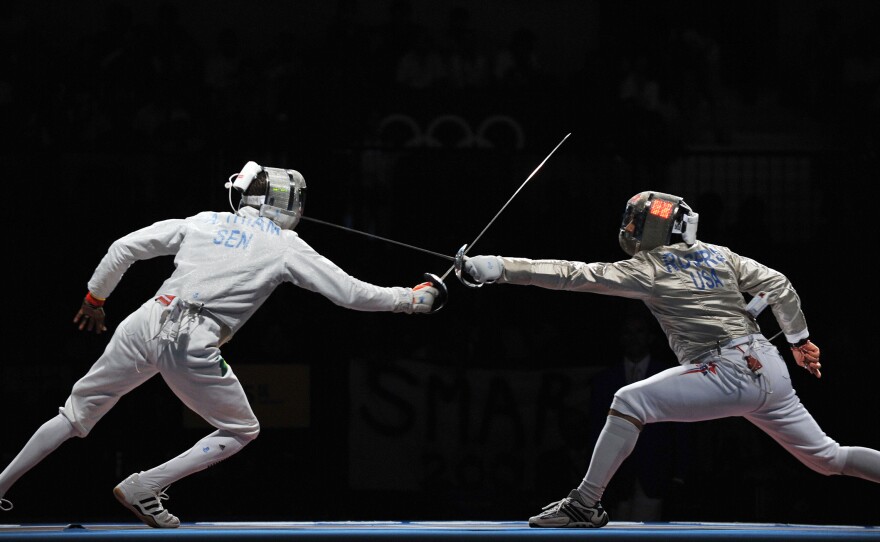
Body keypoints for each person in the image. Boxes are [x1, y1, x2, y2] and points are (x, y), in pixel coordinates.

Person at [0, 161, 443, 528]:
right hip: (193, 340)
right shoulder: (286, 245)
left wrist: (95, 299)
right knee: (242, 430)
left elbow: (123, 247)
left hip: (144, 319)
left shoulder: (203, 221)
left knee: (74, 413)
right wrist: (413, 300)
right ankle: (145, 486)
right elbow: (351, 294)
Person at [461, 190, 880, 528]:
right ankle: (583, 505)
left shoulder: (650, 267)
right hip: (770, 366)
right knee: (828, 457)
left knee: (629, 401)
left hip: (729, 370)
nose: (632, 229)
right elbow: (779, 285)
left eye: (638, 223)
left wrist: (497, 266)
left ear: (659, 229)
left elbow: (573, 275)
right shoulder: (722, 255)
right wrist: (799, 339)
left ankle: (584, 505)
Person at [586, 308, 686, 522]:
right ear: (621, 337)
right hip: (615, 476)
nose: (633, 338)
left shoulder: (667, 375)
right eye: (628, 332)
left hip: (655, 471)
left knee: (649, 531)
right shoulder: (604, 380)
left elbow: (680, 429)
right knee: (613, 530)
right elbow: (595, 429)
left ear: (650, 337)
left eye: (639, 332)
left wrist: (679, 474)